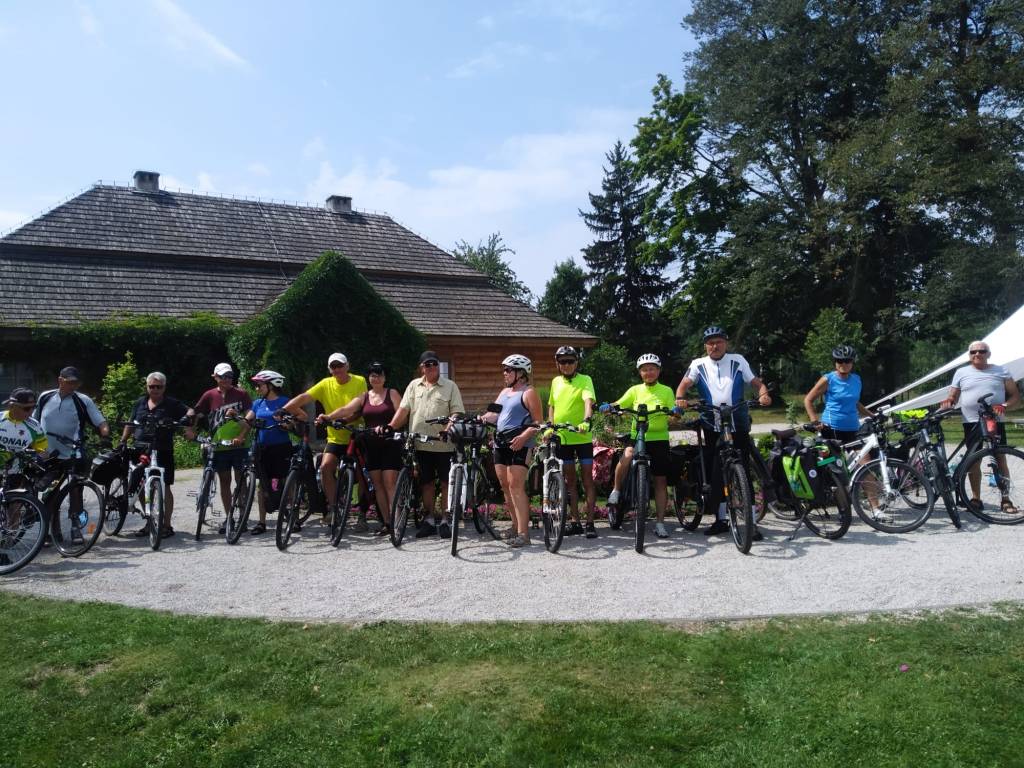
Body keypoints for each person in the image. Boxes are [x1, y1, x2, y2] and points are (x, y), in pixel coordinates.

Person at [675, 326, 770, 539]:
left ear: (726, 343)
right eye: (710, 343)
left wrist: (763, 394)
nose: (714, 346)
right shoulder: (698, 364)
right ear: (705, 346)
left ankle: (752, 524)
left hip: (738, 422)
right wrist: (680, 398)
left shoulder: (738, 360)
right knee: (715, 472)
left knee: (743, 470)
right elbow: (684, 385)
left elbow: (756, 383)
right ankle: (720, 519)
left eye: (718, 341)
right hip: (712, 424)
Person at [384, 350, 464, 539]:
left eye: (435, 363)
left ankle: (445, 520)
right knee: (426, 484)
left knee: (445, 483)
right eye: (428, 364)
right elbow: (403, 410)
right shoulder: (414, 386)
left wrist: (448, 429)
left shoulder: (450, 386)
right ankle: (429, 519)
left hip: (443, 444)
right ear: (422, 367)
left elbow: (456, 412)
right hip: (420, 444)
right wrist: (391, 426)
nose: (432, 367)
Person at [282, 353, 367, 526]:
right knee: (325, 467)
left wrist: (339, 419)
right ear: (329, 369)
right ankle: (335, 509)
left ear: (347, 366)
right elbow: (304, 397)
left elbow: (358, 409)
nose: (337, 370)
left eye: (340, 366)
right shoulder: (326, 383)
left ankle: (362, 514)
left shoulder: (359, 381)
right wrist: (284, 409)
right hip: (335, 437)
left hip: (356, 434)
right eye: (333, 367)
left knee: (362, 474)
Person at [601, 354, 677, 539]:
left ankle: (660, 523)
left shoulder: (666, 391)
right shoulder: (634, 390)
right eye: (645, 369)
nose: (648, 372)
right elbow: (619, 403)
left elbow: (674, 412)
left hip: (659, 439)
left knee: (660, 480)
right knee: (627, 455)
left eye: (652, 369)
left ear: (658, 371)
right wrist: (609, 407)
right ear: (640, 372)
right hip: (638, 436)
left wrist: (676, 412)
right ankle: (616, 490)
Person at [323, 361, 402, 536]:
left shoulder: (392, 393)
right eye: (373, 375)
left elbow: (402, 414)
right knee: (377, 484)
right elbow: (346, 409)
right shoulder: (364, 396)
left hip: (390, 443)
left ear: (385, 377)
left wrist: (390, 426)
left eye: (379, 374)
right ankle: (387, 523)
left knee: (389, 482)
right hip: (371, 445)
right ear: (369, 378)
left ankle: (397, 523)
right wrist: (328, 417)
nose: (376, 378)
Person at [940, 341, 1021, 510]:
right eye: (973, 352)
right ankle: (976, 499)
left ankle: (1006, 499)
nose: (977, 354)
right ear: (969, 355)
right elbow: (953, 396)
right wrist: (949, 401)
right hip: (971, 421)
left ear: (988, 354)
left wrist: (1004, 405)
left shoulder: (1001, 370)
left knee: (1000, 457)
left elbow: (1015, 397)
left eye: (982, 351)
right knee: (974, 460)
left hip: (994, 421)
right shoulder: (961, 372)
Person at [122, 372, 189, 537]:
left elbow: (190, 412)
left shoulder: (172, 404)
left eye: (158, 387)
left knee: (165, 486)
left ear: (164, 388)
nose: (155, 389)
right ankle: (149, 521)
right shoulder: (140, 403)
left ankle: (166, 525)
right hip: (140, 448)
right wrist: (123, 440)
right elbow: (130, 423)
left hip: (163, 449)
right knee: (141, 486)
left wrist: (187, 425)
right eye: (152, 386)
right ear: (147, 387)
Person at [188, 363, 252, 534]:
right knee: (225, 481)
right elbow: (196, 413)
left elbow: (250, 416)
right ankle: (229, 516)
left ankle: (243, 515)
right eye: (223, 376)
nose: (227, 379)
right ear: (215, 377)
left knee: (241, 481)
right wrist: (191, 430)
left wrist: (242, 436)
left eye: (229, 376)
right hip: (219, 446)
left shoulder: (242, 394)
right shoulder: (209, 395)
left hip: (239, 445)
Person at [488, 355, 542, 548]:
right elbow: (493, 415)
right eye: (504, 370)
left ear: (520, 373)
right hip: (501, 443)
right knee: (505, 485)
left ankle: (523, 534)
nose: (505, 373)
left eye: (508, 370)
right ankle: (515, 525)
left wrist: (523, 438)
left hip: (520, 444)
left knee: (516, 486)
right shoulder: (504, 392)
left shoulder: (529, 393)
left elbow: (538, 422)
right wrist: (479, 418)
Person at [547, 346, 598, 538]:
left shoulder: (585, 379)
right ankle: (575, 521)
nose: (566, 365)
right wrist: (550, 425)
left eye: (570, 361)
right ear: (557, 364)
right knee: (569, 482)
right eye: (563, 362)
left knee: (587, 479)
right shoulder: (555, 382)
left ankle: (590, 523)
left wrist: (586, 420)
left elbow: (588, 401)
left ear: (577, 363)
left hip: (582, 437)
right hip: (563, 438)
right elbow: (552, 406)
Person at [240, 370, 294, 536]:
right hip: (261, 448)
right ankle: (261, 522)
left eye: (259, 385)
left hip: (281, 447)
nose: (257, 388)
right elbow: (248, 422)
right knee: (261, 484)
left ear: (271, 385)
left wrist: (286, 425)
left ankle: (291, 517)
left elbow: (292, 424)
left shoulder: (285, 402)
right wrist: (240, 430)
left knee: (285, 482)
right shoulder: (258, 403)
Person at [34, 366, 111, 469]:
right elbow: (34, 421)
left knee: (75, 479)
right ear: (60, 380)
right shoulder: (45, 397)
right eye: (70, 382)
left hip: (72, 456)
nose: (73, 386)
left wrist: (105, 437)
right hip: (45, 454)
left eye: (76, 383)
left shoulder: (83, 400)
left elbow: (102, 423)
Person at [803, 345, 874, 443]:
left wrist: (873, 416)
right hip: (832, 428)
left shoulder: (857, 379)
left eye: (847, 361)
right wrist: (814, 420)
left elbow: (854, 403)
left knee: (860, 453)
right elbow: (808, 400)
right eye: (840, 361)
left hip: (854, 428)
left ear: (852, 362)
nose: (843, 364)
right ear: (835, 362)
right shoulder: (828, 379)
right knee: (838, 454)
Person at [0, 388, 49, 469]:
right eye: (26, 408)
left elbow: (44, 452)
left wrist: (38, 458)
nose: (31, 412)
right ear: (11, 406)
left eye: (34, 407)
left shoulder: (35, 426)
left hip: (16, 474)